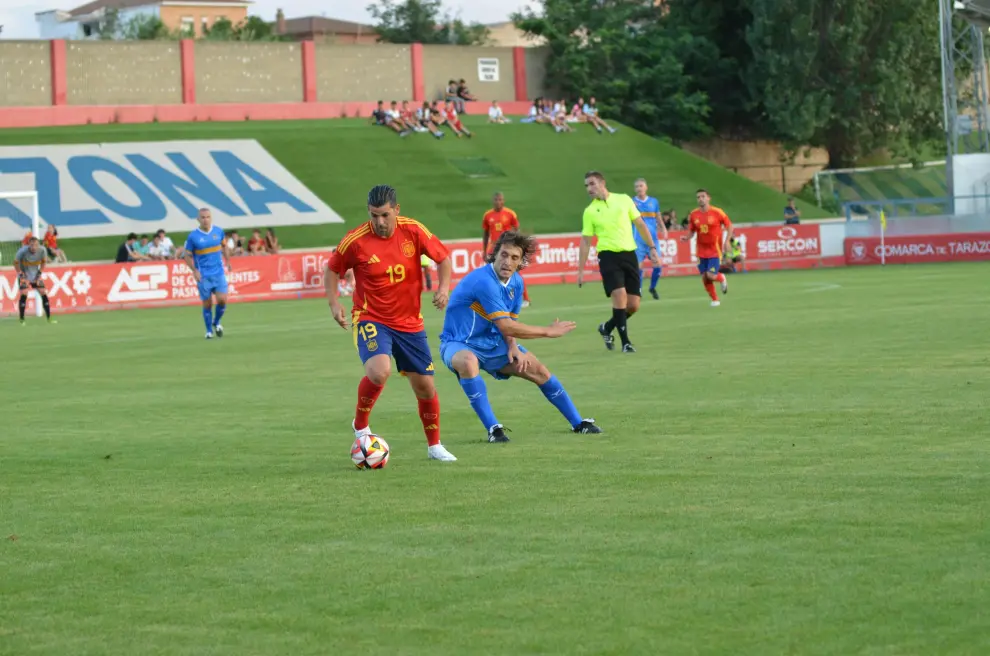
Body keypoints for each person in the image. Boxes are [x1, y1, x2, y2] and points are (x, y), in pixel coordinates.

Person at [324, 184, 457, 462]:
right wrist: (334, 303)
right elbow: (332, 268)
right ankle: (361, 425)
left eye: (385, 215)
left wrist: (444, 288)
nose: (379, 222)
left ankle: (434, 447)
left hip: (410, 322)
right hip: (371, 316)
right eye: (374, 215)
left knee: (425, 387)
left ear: (397, 210)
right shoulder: (356, 240)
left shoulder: (414, 230)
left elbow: (443, 259)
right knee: (379, 371)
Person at [440, 231, 602, 443]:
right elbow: (506, 326)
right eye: (504, 255)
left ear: (521, 261)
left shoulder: (516, 284)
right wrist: (547, 331)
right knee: (469, 362)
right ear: (494, 254)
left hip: (493, 344)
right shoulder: (483, 281)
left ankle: (578, 423)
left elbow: (510, 325)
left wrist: (513, 347)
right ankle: (494, 430)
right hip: (458, 344)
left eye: (514, 258)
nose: (507, 262)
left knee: (539, 371)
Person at [577, 171, 660, 353]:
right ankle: (626, 343)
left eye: (592, 184)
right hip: (607, 257)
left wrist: (652, 248)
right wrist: (580, 270)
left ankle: (606, 327)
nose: (589, 189)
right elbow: (585, 241)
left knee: (633, 305)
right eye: (586, 186)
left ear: (602, 183)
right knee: (620, 295)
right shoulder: (590, 211)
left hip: (629, 254)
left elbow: (640, 224)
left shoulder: (624, 200)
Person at [183, 208, 231, 339]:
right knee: (207, 303)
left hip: (218, 273)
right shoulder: (193, 236)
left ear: (211, 218)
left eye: (208, 217)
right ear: (198, 219)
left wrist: (228, 261)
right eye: (203, 217)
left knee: (222, 300)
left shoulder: (218, 231)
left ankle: (216, 322)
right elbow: (186, 255)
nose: (205, 220)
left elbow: (225, 246)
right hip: (203, 275)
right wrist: (194, 270)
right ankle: (209, 331)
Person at [681, 189, 732, 307]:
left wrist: (727, 241)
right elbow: (692, 230)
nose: (700, 199)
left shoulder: (717, 212)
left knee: (711, 275)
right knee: (705, 276)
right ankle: (715, 299)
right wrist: (687, 237)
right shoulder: (694, 214)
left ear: (708, 198)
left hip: (714, 249)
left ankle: (721, 277)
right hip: (700, 251)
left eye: (703, 196)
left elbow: (729, 225)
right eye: (698, 197)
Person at [482, 192, 529, 307]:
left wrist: (517, 247)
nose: (498, 202)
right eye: (496, 200)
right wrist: (484, 250)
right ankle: (495, 299)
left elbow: (516, 231)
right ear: (493, 201)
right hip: (494, 249)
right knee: (492, 273)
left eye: (500, 200)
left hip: (507, 248)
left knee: (514, 272)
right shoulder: (488, 215)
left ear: (503, 201)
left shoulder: (510, 214)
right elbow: (486, 234)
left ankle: (526, 298)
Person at [632, 178, 668, 300]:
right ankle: (639, 290)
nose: (639, 188)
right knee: (638, 267)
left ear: (646, 187)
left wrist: (663, 228)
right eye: (636, 186)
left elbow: (658, 216)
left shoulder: (654, 202)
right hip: (638, 240)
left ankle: (652, 287)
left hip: (653, 240)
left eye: (641, 186)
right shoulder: (632, 202)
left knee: (658, 265)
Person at [13, 236, 55, 325]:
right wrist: (21, 276)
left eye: (36, 245)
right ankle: (22, 319)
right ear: (28, 245)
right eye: (32, 245)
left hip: (35, 275)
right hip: (24, 274)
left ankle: (49, 318)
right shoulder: (22, 251)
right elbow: (15, 263)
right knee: (24, 293)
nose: (34, 247)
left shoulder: (42, 250)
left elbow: (43, 262)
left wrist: (39, 275)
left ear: (38, 245)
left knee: (43, 292)